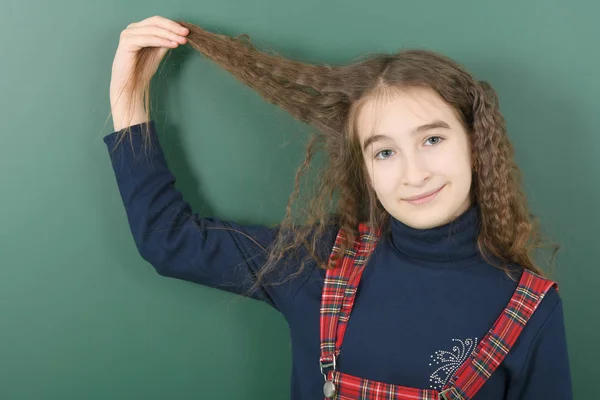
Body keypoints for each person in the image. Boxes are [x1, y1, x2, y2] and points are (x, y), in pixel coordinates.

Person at [104, 15, 573, 399]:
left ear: (473, 143)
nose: (414, 174)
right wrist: (127, 95)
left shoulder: (529, 308)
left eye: (432, 139)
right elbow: (168, 240)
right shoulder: (315, 264)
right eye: (384, 152)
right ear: (365, 167)